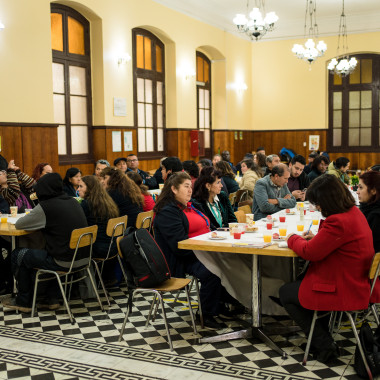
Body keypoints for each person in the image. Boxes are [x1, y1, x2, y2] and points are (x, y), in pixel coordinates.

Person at [279, 174, 374, 363]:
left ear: (327, 200)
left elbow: (309, 252)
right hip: (357, 280)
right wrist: (318, 238)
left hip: (345, 287)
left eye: (318, 203)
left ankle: (324, 344)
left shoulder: (337, 221)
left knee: (286, 292)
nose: (318, 207)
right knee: (302, 281)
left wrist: (292, 238)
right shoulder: (354, 213)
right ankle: (319, 337)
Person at [2, 173, 89, 312]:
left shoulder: (47, 206)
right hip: (83, 258)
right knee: (45, 250)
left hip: (63, 261)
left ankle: (24, 301)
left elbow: (20, 224)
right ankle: (50, 299)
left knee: (18, 254)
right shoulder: (72, 201)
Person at [153, 172, 227, 330]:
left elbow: (209, 226)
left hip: (202, 250)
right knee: (213, 271)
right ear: (173, 189)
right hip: (181, 259)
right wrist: (206, 250)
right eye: (186, 187)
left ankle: (224, 303)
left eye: (190, 187)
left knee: (232, 261)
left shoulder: (191, 205)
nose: (190, 190)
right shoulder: (167, 211)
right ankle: (205, 314)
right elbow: (179, 246)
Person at [78, 176, 119, 258]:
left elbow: (78, 226)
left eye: (81, 186)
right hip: (113, 246)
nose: (78, 189)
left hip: (97, 248)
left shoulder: (86, 204)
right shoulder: (107, 201)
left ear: (90, 188)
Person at [357, 171, 380, 253]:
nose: (357, 191)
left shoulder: (375, 216)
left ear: (373, 191)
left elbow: (369, 248)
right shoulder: (367, 208)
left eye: (361, 188)